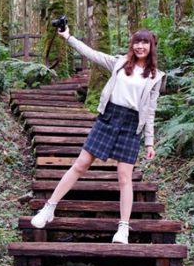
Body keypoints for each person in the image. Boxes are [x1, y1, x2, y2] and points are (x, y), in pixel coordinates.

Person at [30, 25, 165, 244]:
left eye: (145, 42)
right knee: (80, 164)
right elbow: (92, 54)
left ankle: (123, 228)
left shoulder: (155, 77)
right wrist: (68, 37)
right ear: (132, 45)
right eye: (137, 42)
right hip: (109, 117)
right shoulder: (120, 63)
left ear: (151, 47)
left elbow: (150, 111)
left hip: (132, 125)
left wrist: (149, 142)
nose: (140, 46)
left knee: (124, 177)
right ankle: (49, 208)